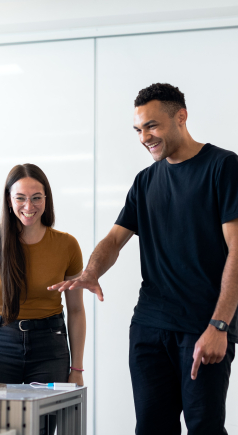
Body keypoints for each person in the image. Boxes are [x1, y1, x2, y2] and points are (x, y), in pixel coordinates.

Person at [49, 83, 238, 434]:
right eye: (138, 129)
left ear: (180, 117)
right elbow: (115, 238)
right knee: (151, 427)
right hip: (150, 327)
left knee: (204, 427)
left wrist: (220, 325)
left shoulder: (223, 167)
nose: (144, 137)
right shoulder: (145, 181)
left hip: (203, 327)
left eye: (152, 126)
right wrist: (91, 271)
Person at [0, 163, 86, 389]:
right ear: (9, 200)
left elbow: (77, 310)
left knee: (43, 423)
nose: (28, 206)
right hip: (0, 341)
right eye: (20, 198)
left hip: (50, 345)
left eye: (36, 198)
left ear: (46, 199)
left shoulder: (67, 245)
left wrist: (77, 369)